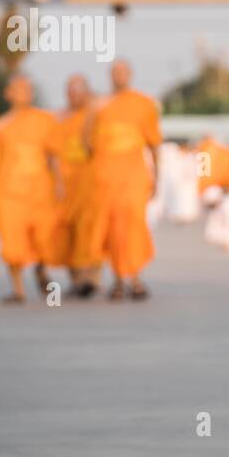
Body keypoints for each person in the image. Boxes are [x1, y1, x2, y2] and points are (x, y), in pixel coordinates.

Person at [83, 60, 163, 301]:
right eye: (115, 72)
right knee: (113, 227)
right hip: (107, 175)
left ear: (130, 74)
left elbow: (154, 143)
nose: (119, 76)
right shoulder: (98, 105)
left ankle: (135, 278)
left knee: (134, 224)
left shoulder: (144, 104)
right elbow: (86, 142)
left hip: (135, 174)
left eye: (123, 72)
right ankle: (119, 280)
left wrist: (156, 176)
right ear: (110, 76)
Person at [0, 74, 60, 304]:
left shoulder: (45, 120)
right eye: (19, 88)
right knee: (11, 240)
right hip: (9, 192)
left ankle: (41, 268)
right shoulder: (1, 125)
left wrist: (60, 184)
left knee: (44, 237)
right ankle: (18, 290)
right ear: (9, 93)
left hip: (40, 189)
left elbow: (53, 155)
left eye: (27, 89)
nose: (24, 92)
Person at [48, 74, 102, 297]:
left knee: (91, 231)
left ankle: (92, 279)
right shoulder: (58, 118)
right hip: (64, 184)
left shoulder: (95, 115)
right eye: (71, 89)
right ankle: (76, 279)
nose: (74, 94)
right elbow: (50, 151)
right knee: (67, 232)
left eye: (79, 89)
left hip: (90, 182)